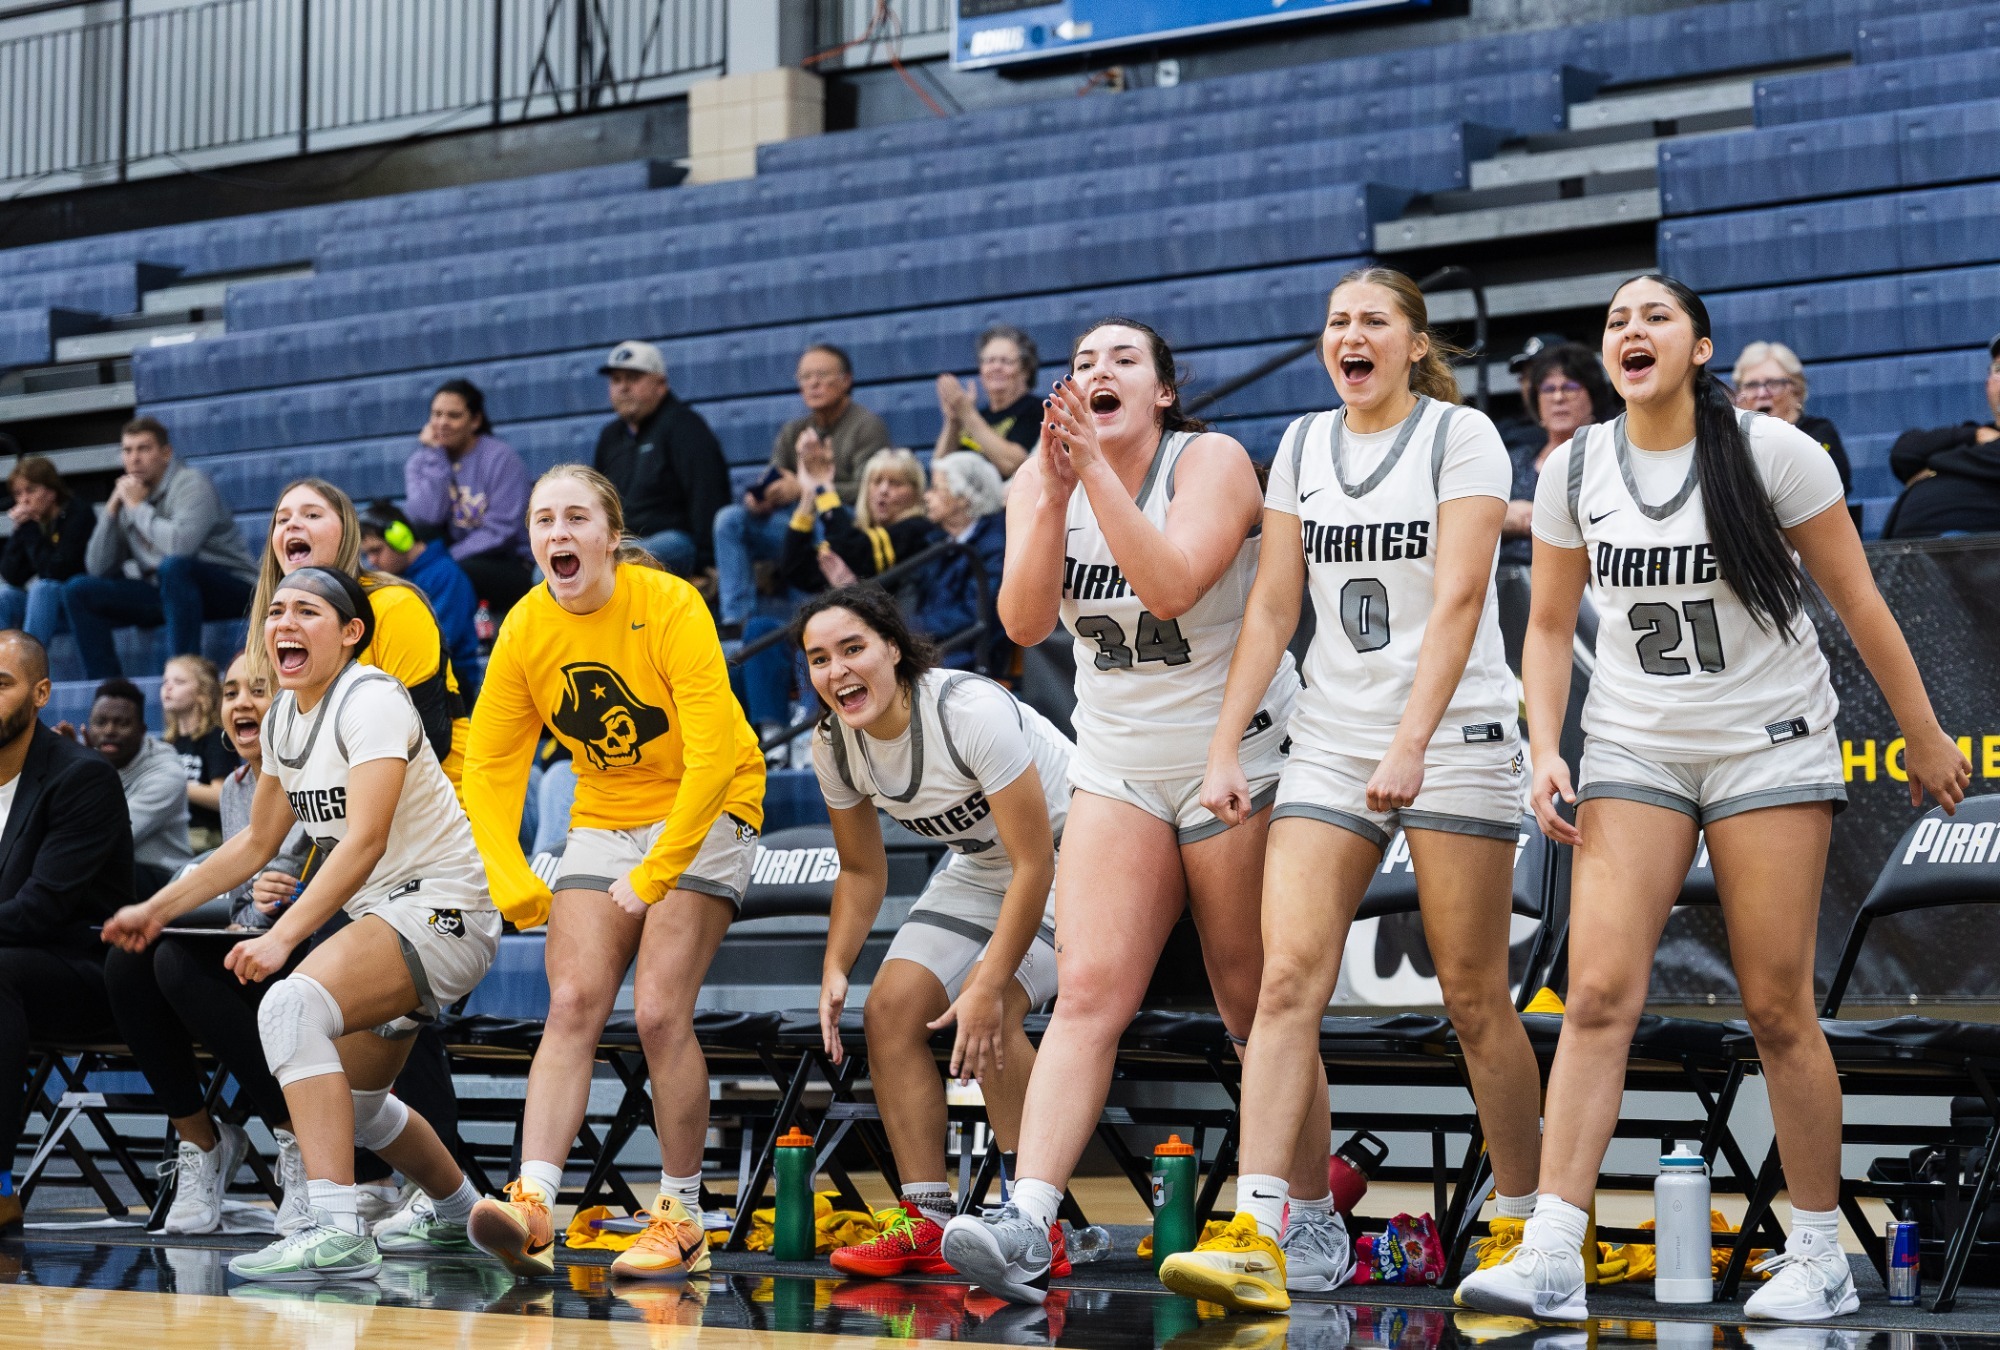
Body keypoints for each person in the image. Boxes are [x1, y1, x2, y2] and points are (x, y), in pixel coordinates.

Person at [1456, 274, 1970, 1324]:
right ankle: (1555, 1242)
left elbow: (1856, 598)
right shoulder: (1574, 466)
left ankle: (1818, 1251)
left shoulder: (1774, 454)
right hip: (1635, 746)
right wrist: (1541, 745)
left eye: (1652, 316)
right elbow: (1546, 626)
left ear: (1697, 348)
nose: (1628, 331)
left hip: (1764, 747)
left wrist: (1921, 731)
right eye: (1612, 320)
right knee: (1596, 994)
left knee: (1776, 1005)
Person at [1156, 268, 1542, 1312]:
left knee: (1471, 999)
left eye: (1372, 320)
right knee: (1285, 985)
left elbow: (1463, 592)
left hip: (1453, 732)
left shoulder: (1456, 438)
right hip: (1329, 738)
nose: (1350, 335)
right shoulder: (1299, 447)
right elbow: (1274, 607)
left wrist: (1412, 740)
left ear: (1413, 344)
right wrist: (1226, 744)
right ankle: (1262, 1228)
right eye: (1336, 322)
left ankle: (1526, 1225)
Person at [940, 319, 1321, 1305]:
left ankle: (1309, 1217)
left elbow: (1168, 586)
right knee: (1088, 993)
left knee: (1252, 1002)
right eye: (1079, 364)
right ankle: (1027, 1217)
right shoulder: (1041, 479)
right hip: (1117, 761)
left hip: (1235, 751)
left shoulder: (1212, 462)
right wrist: (1051, 490)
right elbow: (1021, 625)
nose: (1093, 373)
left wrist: (1093, 482)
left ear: (1159, 392)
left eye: (1119, 362)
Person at [103, 566, 500, 1283]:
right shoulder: (286, 716)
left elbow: (367, 838)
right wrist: (155, 908)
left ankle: (336, 1229)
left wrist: (284, 935)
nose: (283, 621)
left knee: (289, 1006)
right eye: (276, 610)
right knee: (353, 1107)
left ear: (350, 634)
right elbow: (254, 846)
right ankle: (455, 1213)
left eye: (307, 611)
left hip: (442, 908)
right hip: (386, 915)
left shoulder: (372, 699)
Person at [461, 465, 766, 1281]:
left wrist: (661, 869)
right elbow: (489, 765)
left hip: (711, 799)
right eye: (541, 521)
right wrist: (508, 870)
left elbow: (709, 753)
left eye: (575, 519)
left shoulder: (669, 605)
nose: (557, 534)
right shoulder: (526, 627)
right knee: (571, 1000)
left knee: (661, 1011)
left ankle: (682, 1215)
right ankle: (533, 1202)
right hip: (605, 809)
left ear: (609, 535)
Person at [798, 587, 1070, 1278]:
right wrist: (836, 965)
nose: (837, 671)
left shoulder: (967, 712)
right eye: (819, 658)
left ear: (893, 648)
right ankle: (924, 1219)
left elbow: (1036, 861)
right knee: (888, 1010)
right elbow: (861, 871)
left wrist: (984, 981)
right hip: (983, 866)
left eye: (853, 649)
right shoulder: (834, 743)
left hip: (1079, 855)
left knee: (994, 1011)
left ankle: (1034, 1225)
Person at [102, 651, 313, 1235]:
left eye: (259, 689)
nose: (242, 702)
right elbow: (243, 893)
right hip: (255, 946)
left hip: (320, 950)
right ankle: (204, 1141)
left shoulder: (325, 774)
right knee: (130, 962)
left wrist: (300, 892)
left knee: (177, 963)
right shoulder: (237, 787)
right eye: (230, 692)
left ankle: (299, 1141)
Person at [0, 631, 133, 1232]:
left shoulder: (82, 779)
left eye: (1, 684)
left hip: (86, 974)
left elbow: (40, 911)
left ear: (41, 693)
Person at [245, 479, 471, 789]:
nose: (292, 524)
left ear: (348, 534)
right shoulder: (281, 628)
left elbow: (428, 737)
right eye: (282, 520)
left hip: (441, 815)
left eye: (311, 515)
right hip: (343, 818)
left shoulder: (394, 606)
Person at [713, 344, 891, 637]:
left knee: (822, 523)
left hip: (846, 526)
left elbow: (868, 490)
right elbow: (774, 477)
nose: (813, 383)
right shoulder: (793, 430)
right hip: (795, 521)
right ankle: (737, 621)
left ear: (846, 380)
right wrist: (761, 498)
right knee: (730, 520)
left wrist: (804, 489)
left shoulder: (867, 426)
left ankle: (814, 622)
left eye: (822, 375)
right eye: (805, 377)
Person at [62, 417, 258, 680]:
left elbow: (180, 547)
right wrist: (112, 509)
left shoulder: (191, 484)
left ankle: (184, 675)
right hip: (169, 593)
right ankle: (108, 687)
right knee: (79, 590)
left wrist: (135, 508)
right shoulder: (131, 495)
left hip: (231, 588)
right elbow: (98, 567)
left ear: (166, 453)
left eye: (144, 449)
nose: (134, 458)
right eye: (127, 450)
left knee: (175, 568)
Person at [591, 341, 733, 581]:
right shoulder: (609, 436)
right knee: (541, 573)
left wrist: (706, 562)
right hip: (619, 543)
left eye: (633, 378)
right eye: (616, 380)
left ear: (661, 385)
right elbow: (596, 503)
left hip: (676, 541)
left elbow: (707, 494)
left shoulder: (685, 426)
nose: (623, 387)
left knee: (623, 560)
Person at [403, 378, 533, 615]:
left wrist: (447, 559)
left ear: (475, 421)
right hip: (457, 557)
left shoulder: (501, 460)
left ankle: (453, 644)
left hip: (507, 562)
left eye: (453, 415)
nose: (442, 423)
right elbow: (427, 517)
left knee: (450, 574)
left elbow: (502, 531)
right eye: (436, 414)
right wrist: (436, 457)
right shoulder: (422, 462)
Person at [80, 678, 190, 899]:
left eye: (122, 723)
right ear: (88, 727)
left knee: (85, 868)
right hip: (111, 868)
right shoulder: (83, 759)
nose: (109, 731)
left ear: (142, 730)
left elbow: (111, 837)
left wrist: (80, 778)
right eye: (100, 722)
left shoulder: (167, 773)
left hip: (164, 879)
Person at [1882, 335, 2000, 538]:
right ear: (1987, 384)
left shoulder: (1954, 453)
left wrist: (1936, 465)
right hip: (1909, 559)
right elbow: (1904, 452)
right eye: (1998, 370)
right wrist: (1975, 434)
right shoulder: (1973, 437)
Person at [359, 501, 481, 699]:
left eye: (376, 550)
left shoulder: (445, 574)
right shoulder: (390, 578)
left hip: (452, 681)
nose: (371, 561)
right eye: (367, 554)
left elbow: (439, 642)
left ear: (402, 539)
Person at [781, 448, 937, 595]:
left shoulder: (919, 530)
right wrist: (809, 495)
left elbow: (856, 553)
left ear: (916, 493)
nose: (883, 490)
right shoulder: (858, 534)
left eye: (896, 483)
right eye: (876, 482)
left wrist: (825, 490)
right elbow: (797, 570)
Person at [915, 452, 1010, 673]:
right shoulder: (939, 541)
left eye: (936, 489)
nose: (927, 497)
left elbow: (976, 613)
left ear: (964, 497)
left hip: (970, 658)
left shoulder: (995, 545)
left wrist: (914, 627)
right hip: (938, 647)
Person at [1733, 341, 1852, 496]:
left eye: (1773, 383)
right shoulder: (1729, 443)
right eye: (1751, 385)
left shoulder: (1819, 433)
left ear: (1797, 390)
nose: (1762, 393)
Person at [0, 454, 91, 646]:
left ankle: (27, 668)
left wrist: (29, 530)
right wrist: (19, 532)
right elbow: (12, 576)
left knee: (43, 588)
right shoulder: (34, 523)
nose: (23, 500)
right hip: (46, 607)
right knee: (5, 595)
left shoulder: (78, 514)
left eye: (30, 491)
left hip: (78, 602)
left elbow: (55, 571)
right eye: (18, 494)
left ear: (51, 491)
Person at [933, 325, 1046, 479]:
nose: (996, 367)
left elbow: (1011, 465)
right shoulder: (979, 415)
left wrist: (967, 414)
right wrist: (954, 420)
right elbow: (939, 470)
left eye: (1005, 361)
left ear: (1026, 370)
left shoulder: (1037, 410)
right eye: (989, 361)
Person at [159, 654, 237, 851]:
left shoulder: (216, 738)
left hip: (205, 836)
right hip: (171, 833)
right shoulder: (166, 744)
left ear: (203, 692)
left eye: (179, 682)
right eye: (165, 681)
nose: (168, 687)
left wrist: (174, 786)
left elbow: (222, 797)